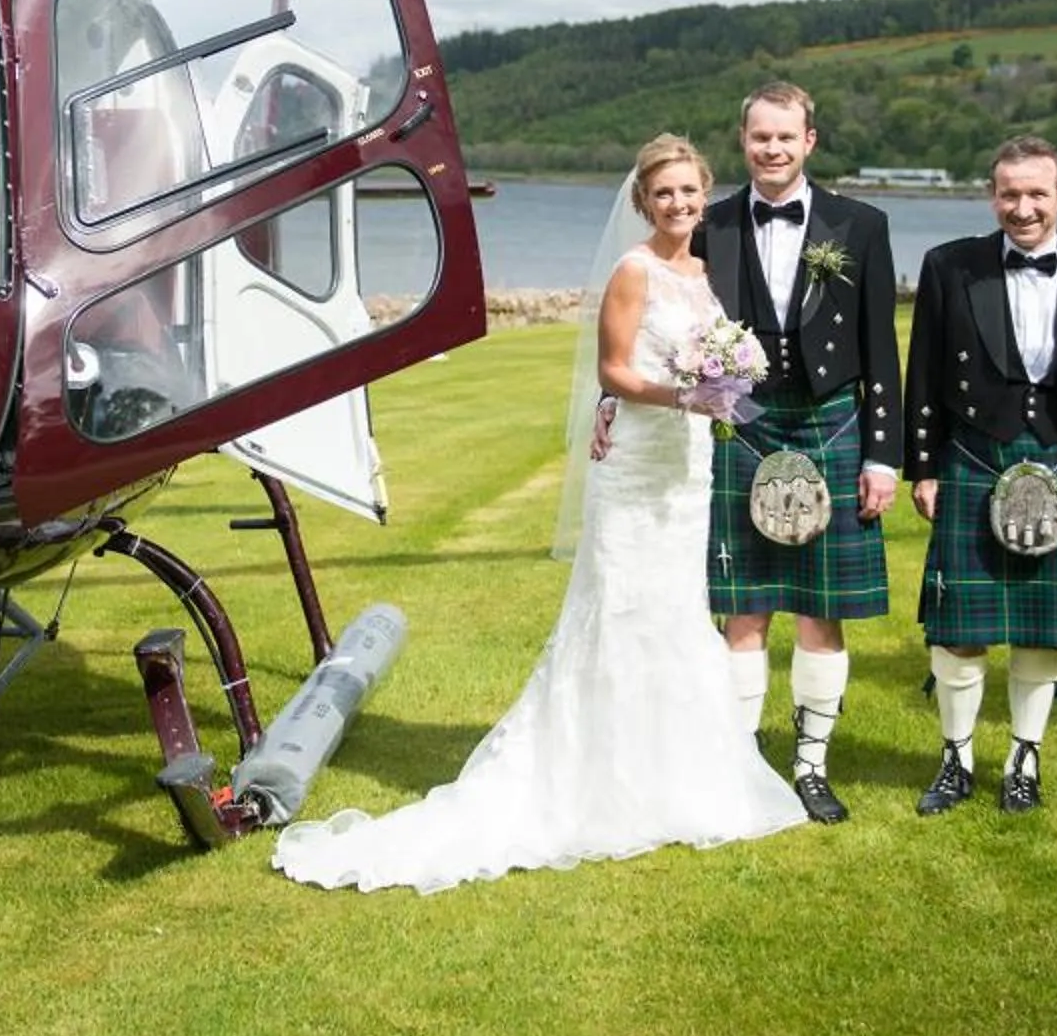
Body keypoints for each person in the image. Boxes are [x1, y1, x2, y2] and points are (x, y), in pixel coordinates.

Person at [273, 134, 806, 892]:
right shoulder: (634, 272)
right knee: (620, 607)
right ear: (642, 202)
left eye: (689, 191)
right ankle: (600, 778)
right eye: (664, 193)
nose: (679, 204)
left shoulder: (702, 272)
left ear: (704, 194)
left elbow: (709, 356)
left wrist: (722, 385)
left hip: (687, 468)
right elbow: (614, 372)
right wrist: (684, 395)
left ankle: (681, 774)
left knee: (677, 609)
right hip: (638, 461)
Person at [902, 136, 1057, 814]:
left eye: (1037, 193)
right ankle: (955, 759)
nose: (1023, 208)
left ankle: (1023, 760)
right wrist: (924, 467)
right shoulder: (951, 266)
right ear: (992, 196)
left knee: (1042, 627)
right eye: (1009, 194)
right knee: (959, 627)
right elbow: (924, 373)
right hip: (973, 458)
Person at [692, 83, 900, 823]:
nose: (772, 149)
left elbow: (881, 346)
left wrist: (883, 457)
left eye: (785, 137)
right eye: (760, 138)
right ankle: (739, 766)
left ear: (809, 141)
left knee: (821, 611)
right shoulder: (709, 225)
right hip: (740, 425)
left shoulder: (861, 225)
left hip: (831, 424)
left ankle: (811, 765)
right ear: (742, 141)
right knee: (742, 610)